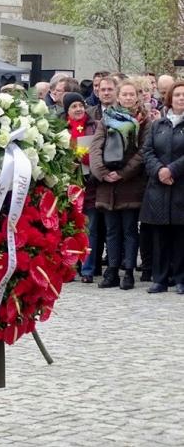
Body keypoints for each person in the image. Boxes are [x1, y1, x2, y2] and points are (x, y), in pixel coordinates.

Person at [89, 79, 152, 290]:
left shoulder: (144, 121)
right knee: (111, 231)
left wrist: (123, 173)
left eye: (131, 94)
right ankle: (112, 271)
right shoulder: (105, 119)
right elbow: (96, 148)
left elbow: (144, 151)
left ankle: (128, 273)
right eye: (124, 94)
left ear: (137, 96)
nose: (127, 98)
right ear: (118, 96)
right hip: (107, 185)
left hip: (131, 183)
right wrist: (103, 173)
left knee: (129, 230)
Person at [141, 80, 184, 294]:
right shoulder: (159, 124)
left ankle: (180, 278)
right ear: (170, 98)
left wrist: (172, 170)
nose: (181, 99)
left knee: (180, 235)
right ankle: (160, 278)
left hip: (180, 186)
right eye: (177, 95)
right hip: (158, 188)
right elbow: (147, 151)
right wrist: (159, 170)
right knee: (159, 236)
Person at [61, 92, 102, 283]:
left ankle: (87, 268)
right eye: (73, 106)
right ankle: (68, 267)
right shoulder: (62, 129)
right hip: (69, 186)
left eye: (80, 105)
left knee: (89, 228)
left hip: (90, 185)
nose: (78, 109)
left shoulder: (94, 126)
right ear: (67, 110)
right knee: (69, 227)